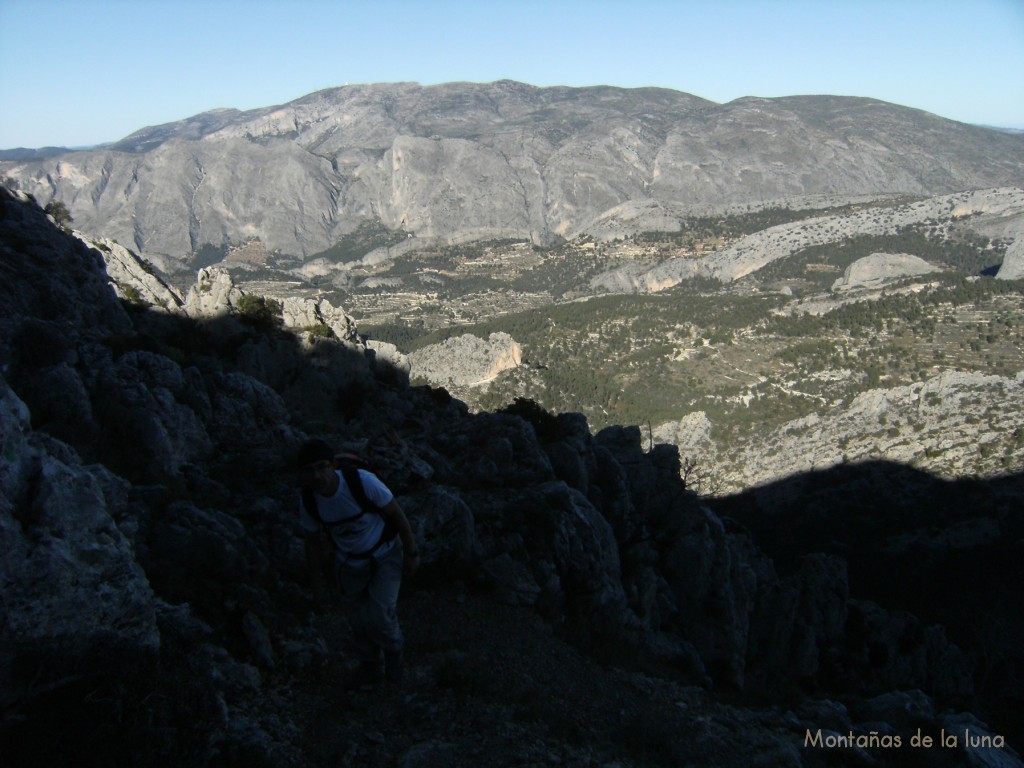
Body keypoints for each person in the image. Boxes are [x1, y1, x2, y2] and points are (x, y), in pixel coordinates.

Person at [297, 438, 420, 686]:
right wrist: (318, 585)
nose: (317, 476)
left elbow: (396, 513)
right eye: (310, 470)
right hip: (349, 563)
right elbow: (311, 542)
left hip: (385, 554)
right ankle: (369, 662)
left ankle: (394, 653)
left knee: (380, 614)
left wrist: (411, 552)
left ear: (333, 465)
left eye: (322, 467)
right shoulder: (309, 501)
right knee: (356, 618)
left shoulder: (362, 482)